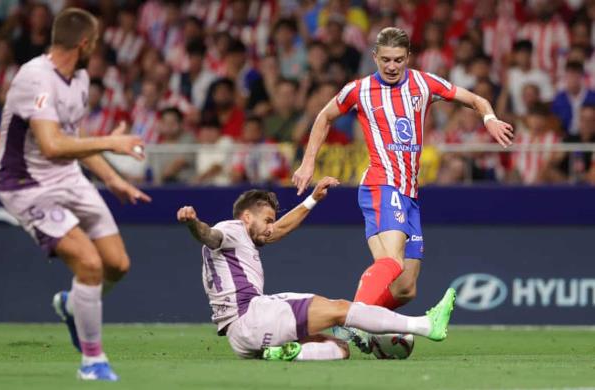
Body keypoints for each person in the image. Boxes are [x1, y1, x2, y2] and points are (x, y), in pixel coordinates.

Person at [292, 27, 513, 350]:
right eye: (385, 60)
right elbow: (324, 117)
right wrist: (308, 162)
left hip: (410, 194)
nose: (392, 66)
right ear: (374, 58)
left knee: (406, 286)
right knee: (392, 263)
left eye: (398, 59)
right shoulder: (359, 90)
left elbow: (475, 99)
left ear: (408, 57)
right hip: (381, 185)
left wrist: (489, 118)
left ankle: (356, 324)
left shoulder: (424, 83)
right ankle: (344, 326)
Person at [0, 8, 151, 381]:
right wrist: (113, 142)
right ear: (84, 43)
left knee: (117, 265)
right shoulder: (35, 79)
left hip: (68, 177)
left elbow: (73, 141)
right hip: (26, 185)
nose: (96, 49)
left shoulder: (79, 78)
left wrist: (113, 180)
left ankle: (71, 305)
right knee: (89, 264)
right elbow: (51, 145)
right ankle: (92, 362)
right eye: (94, 42)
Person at [177, 176, 456, 361]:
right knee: (340, 310)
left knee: (339, 349)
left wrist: (312, 199)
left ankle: (290, 353)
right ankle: (425, 324)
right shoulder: (232, 228)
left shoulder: (244, 238)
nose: (271, 226)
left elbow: (281, 229)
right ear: (247, 216)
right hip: (252, 313)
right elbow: (209, 236)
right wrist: (193, 223)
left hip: (240, 340)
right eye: (267, 219)